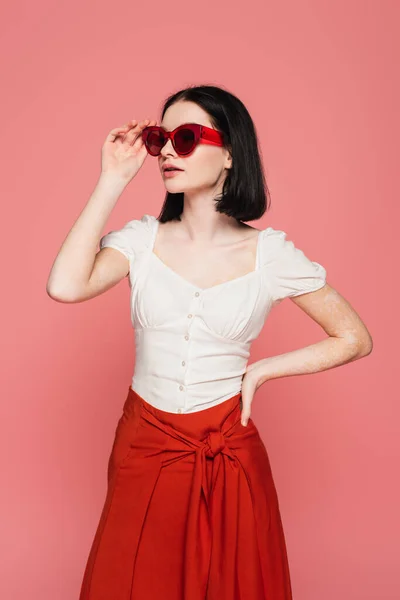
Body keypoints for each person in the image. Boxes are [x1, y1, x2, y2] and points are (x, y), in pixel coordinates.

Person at [46, 84, 373, 600]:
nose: (169, 151)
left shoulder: (270, 253)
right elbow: (64, 287)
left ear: (229, 155)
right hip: (144, 440)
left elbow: (354, 338)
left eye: (187, 136)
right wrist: (112, 179)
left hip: (229, 443)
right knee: (130, 578)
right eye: (160, 139)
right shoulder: (140, 240)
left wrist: (262, 372)